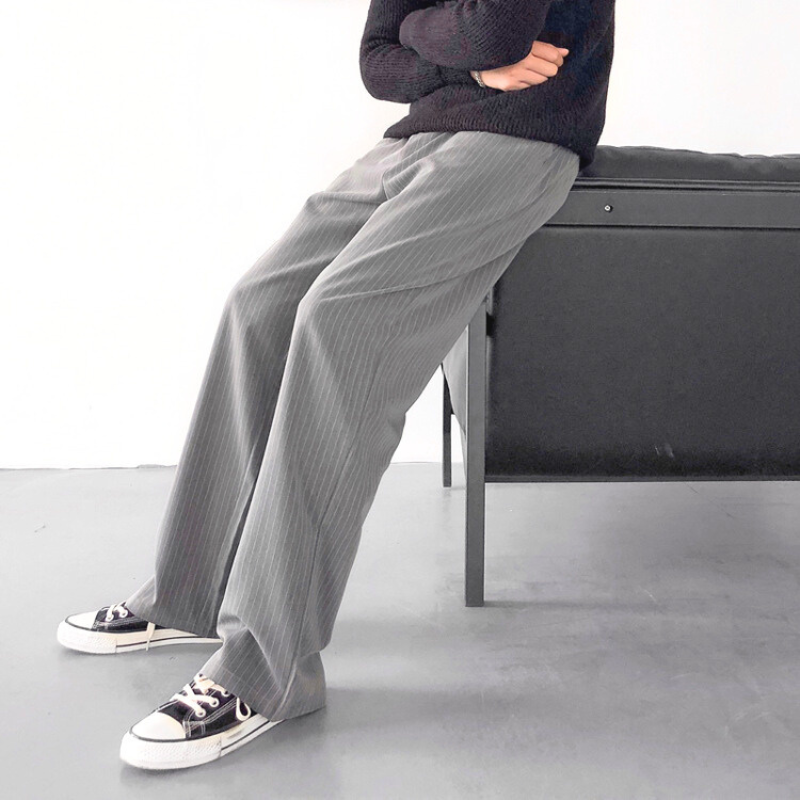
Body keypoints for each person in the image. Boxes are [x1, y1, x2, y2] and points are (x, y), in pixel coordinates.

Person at [56, 0, 616, 771]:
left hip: (523, 140)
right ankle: (188, 592)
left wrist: (433, 38)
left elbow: (496, 32)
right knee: (258, 306)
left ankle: (269, 668)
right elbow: (377, 62)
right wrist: (466, 64)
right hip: (414, 139)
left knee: (338, 320)